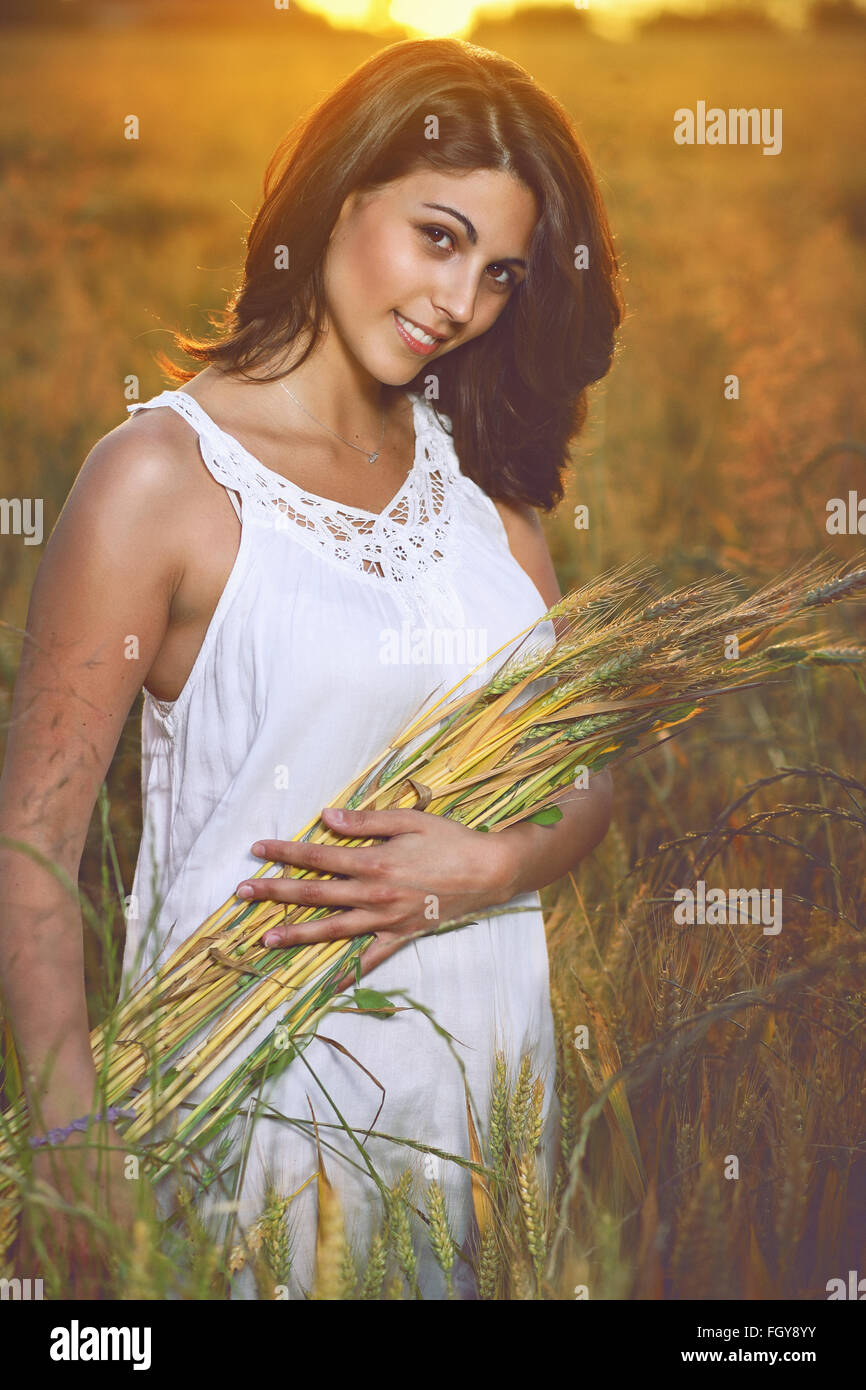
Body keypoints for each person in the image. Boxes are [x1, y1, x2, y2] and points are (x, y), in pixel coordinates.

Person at [0, 36, 622, 1299]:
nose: (460, 302)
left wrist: (489, 866)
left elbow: (587, 779)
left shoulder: (487, 491)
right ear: (339, 196)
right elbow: (28, 853)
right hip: (256, 1107)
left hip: (485, 1107)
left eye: (497, 272)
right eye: (435, 238)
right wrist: (72, 1145)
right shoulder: (160, 483)